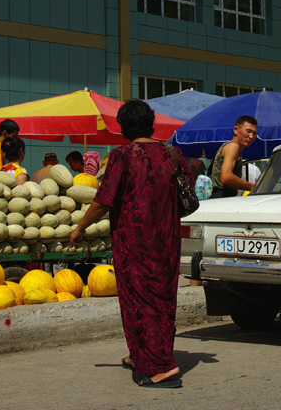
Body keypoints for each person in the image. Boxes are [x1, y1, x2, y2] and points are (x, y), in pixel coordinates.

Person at [70, 100, 189, 388]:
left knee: (140, 300)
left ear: (124, 126)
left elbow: (103, 200)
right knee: (161, 297)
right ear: (151, 123)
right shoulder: (173, 153)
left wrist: (80, 228)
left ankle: (162, 366)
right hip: (168, 239)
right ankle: (140, 355)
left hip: (135, 240)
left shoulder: (122, 155)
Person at [209, 115, 258, 198]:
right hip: (222, 196)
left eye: (254, 133)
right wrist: (252, 186)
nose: (251, 136)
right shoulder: (233, 147)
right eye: (248, 131)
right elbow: (226, 177)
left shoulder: (231, 147)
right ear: (236, 130)